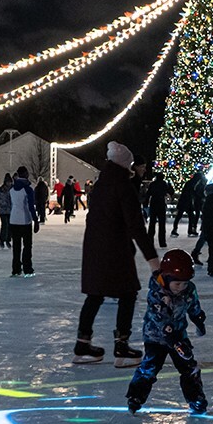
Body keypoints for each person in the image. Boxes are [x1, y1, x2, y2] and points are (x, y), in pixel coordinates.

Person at [73, 142, 160, 367]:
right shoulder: (122, 185)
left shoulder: (102, 183)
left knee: (95, 294)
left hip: (94, 248)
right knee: (128, 294)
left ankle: (82, 344)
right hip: (115, 251)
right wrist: (152, 259)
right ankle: (122, 347)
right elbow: (136, 225)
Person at [125, 249, 208, 415]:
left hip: (178, 333)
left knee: (189, 367)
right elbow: (161, 319)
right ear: (166, 278)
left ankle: (195, 398)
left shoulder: (188, 289)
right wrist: (174, 341)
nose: (181, 287)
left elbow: (193, 304)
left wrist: (198, 317)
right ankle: (136, 396)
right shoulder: (157, 293)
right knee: (150, 367)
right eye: (177, 284)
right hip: (155, 337)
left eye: (184, 283)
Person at [7, 167, 38, 277]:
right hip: (25, 220)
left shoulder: (11, 189)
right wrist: (36, 220)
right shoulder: (27, 189)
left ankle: (16, 269)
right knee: (27, 245)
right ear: (25, 174)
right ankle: (27, 269)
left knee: (16, 246)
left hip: (13, 219)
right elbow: (30, 206)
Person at [145, 171, 173, 248]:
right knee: (162, 224)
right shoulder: (164, 184)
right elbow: (171, 191)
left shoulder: (152, 184)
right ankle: (162, 242)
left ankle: (150, 241)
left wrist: (145, 204)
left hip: (153, 204)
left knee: (152, 224)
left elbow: (148, 194)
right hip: (161, 204)